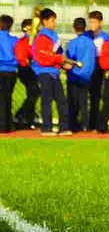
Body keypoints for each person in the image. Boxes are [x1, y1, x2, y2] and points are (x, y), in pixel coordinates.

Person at [31, 8, 73, 136]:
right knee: (46, 100)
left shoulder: (54, 36)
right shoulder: (41, 38)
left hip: (54, 72)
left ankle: (64, 127)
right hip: (44, 73)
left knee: (61, 100)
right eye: (52, 20)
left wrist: (64, 64)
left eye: (55, 20)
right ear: (44, 21)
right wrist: (58, 59)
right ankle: (46, 128)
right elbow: (42, 58)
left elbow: (59, 54)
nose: (54, 23)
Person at [66, 17, 96, 132]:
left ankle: (73, 124)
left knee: (73, 101)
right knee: (84, 102)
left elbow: (70, 58)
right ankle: (86, 124)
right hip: (86, 76)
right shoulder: (91, 43)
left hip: (74, 76)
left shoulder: (73, 43)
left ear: (74, 28)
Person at [13, 18, 40, 129]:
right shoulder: (22, 42)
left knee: (34, 93)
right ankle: (23, 115)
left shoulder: (36, 40)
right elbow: (21, 57)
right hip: (26, 70)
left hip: (34, 70)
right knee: (34, 92)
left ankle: (26, 116)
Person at [86, 11, 108, 130]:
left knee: (98, 95)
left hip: (99, 67)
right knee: (86, 96)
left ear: (101, 23)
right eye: (90, 22)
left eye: (94, 22)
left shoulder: (105, 37)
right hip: (87, 67)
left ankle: (97, 123)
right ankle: (86, 122)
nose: (92, 24)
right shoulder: (86, 36)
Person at [0, 14, 18, 133]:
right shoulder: (15, 40)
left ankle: (2, 125)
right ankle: (7, 125)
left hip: (1, 69)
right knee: (7, 97)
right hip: (11, 71)